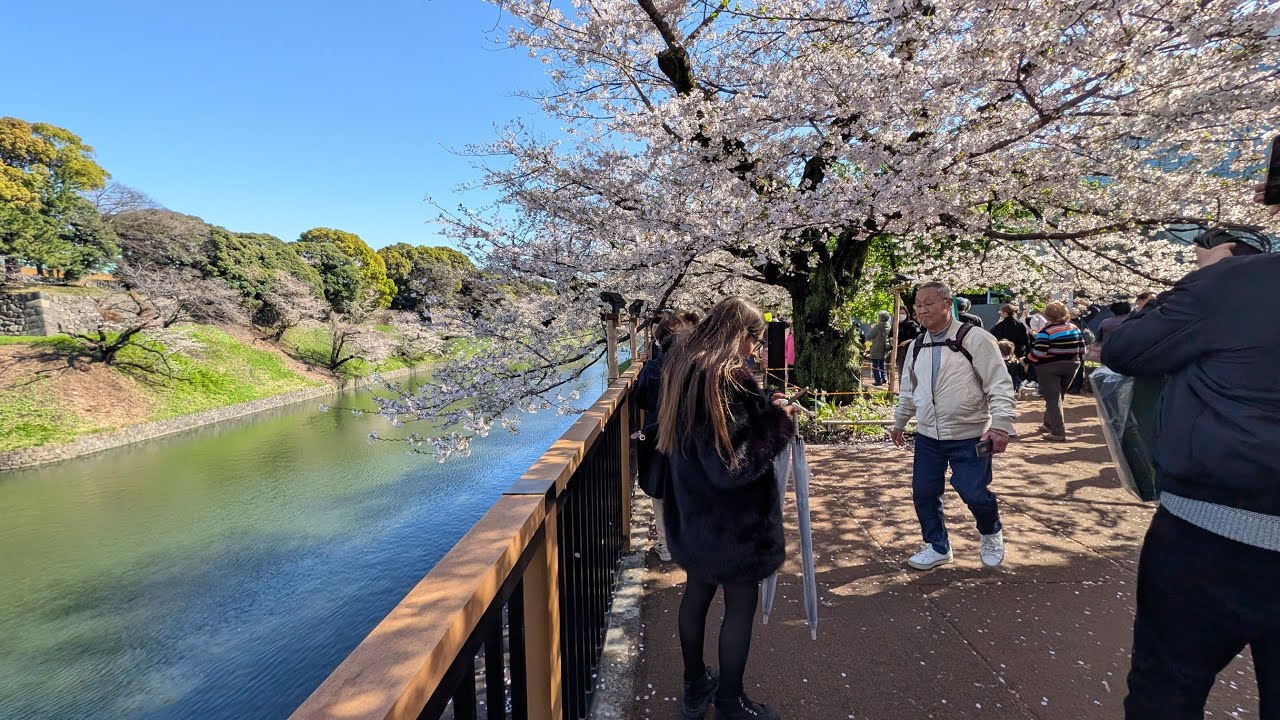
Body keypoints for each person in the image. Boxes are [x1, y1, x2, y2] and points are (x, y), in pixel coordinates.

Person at [1104, 225, 1280, 720]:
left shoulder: (1240, 282)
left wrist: (1213, 273)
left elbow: (1126, 349)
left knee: (1167, 690)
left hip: (1212, 527)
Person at [657, 296, 801, 720]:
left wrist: (761, 407)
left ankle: (695, 686)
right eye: (755, 339)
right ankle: (730, 702)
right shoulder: (726, 378)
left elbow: (713, 442)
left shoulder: (685, 366)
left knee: (696, 594)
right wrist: (778, 422)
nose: (756, 349)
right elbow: (733, 465)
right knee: (739, 606)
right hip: (734, 523)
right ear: (739, 334)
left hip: (695, 512)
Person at [890, 281, 1017, 570]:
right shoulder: (917, 345)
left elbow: (999, 384)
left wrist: (1000, 425)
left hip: (969, 433)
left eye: (929, 303)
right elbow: (910, 389)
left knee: (973, 491)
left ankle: (991, 531)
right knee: (924, 493)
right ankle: (937, 546)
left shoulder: (976, 338)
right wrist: (900, 421)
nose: (922, 310)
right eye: (918, 305)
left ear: (949, 304)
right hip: (927, 435)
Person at [634, 311, 693, 562]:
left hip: (657, 432)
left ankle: (665, 545)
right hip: (687, 435)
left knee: (660, 490)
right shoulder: (692, 365)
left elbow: (641, 399)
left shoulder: (654, 368)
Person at [1027, 302, 1084, 441]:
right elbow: (1083, 349)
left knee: (1053, 398)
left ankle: (1058, 431)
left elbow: (1039, 353)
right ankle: (1048, 424)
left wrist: (1027, 359)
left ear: (1048, 315)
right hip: (1072, 364)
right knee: (1058, 396)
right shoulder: (1074, 328)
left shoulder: (1045, 332)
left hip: (1049, 367)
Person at [895, 307, 921, 382]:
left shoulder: (912, 325)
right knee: (901, 372)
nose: (901, 315)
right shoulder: (896, 325)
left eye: (903, 313)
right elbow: (890, 336)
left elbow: (919, 337)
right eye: (899, 313)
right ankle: (902, 390)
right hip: (899, 352)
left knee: (911, 372)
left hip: (910, 351)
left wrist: (908, 341)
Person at [866, 310, 892, 386]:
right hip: (885, 349)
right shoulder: (889, 326)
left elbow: (870, 336)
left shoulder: (876, 328)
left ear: (880, 318)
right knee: (882, 364)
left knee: (876, 366)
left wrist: (867, 345)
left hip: (876, 349)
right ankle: (884, 378)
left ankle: (878, 380)